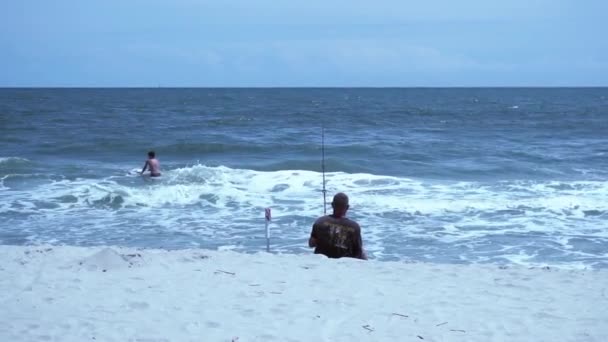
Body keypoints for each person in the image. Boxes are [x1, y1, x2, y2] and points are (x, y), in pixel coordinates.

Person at [309, 192, 367, 260]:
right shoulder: (354, 227)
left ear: (332, 205)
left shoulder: (320, 222)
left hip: (322, 262)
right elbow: (358, 252)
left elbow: (311, 244)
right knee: (362, 251)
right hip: (343, 264)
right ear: (347, 207)